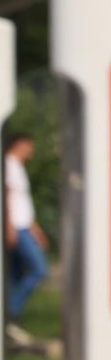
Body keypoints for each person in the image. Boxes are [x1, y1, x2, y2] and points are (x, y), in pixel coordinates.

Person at [5, 131, 48, 344]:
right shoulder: (8, 165)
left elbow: (22, 202)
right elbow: (5, 197)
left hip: (23, 226)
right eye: (29, 146)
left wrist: (35, 229)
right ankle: (10, 313)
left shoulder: (18, 167)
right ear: (19, 144)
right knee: (39, 270)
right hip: (16, 228)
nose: (32, 150)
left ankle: (11, 323)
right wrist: (9, 226)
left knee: (15, 275)